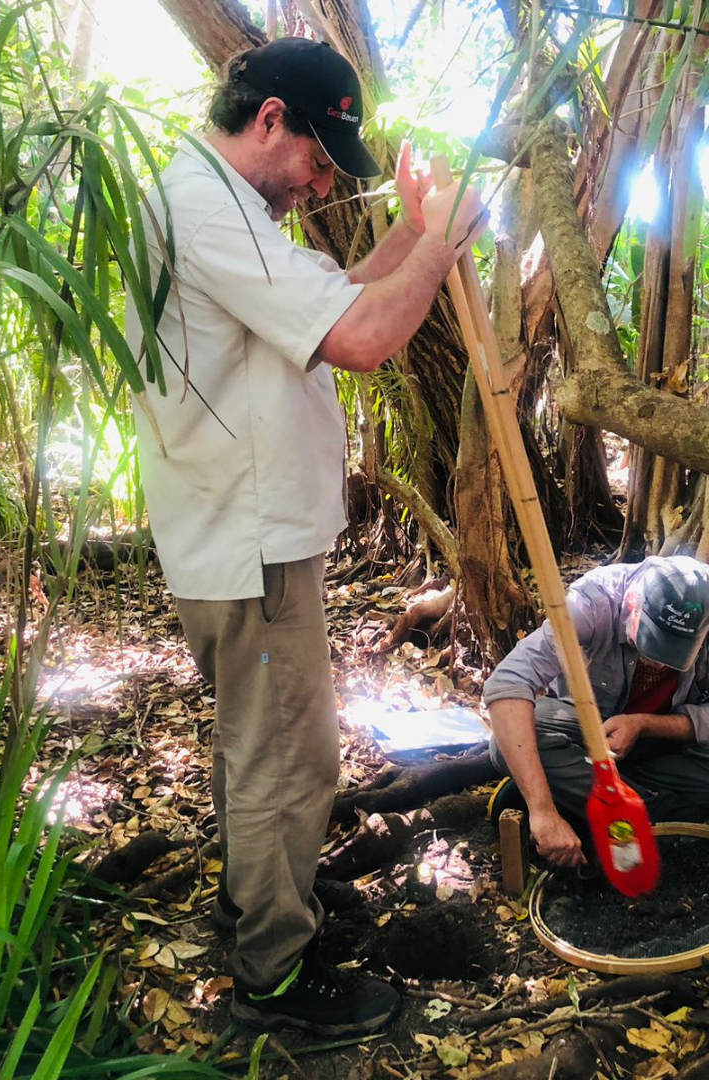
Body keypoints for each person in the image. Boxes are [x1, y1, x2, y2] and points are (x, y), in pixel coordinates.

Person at [123, 36, 486, 1036]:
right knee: (288, 757)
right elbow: (365, 338)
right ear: (272, 117)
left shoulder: (222, 204)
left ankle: (266, 908)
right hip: (249, 542)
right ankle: (274, 979)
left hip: (247, 535)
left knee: (267, 749)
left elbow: (336, 300)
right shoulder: (203, 209)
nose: (321, 182)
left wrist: (414, 233)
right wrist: (445, 248)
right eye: (319, 158)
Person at [484, 556, 709, 869]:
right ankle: (647, 817)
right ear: (632, 605)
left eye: (674, 653)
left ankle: (589, 801)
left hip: (662, 742)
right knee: (504, 743)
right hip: (589, 738)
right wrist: (542, 812)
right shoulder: (593, 603)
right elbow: (508, 682)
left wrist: (644, 724)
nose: (660, 664)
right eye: (652, 645)